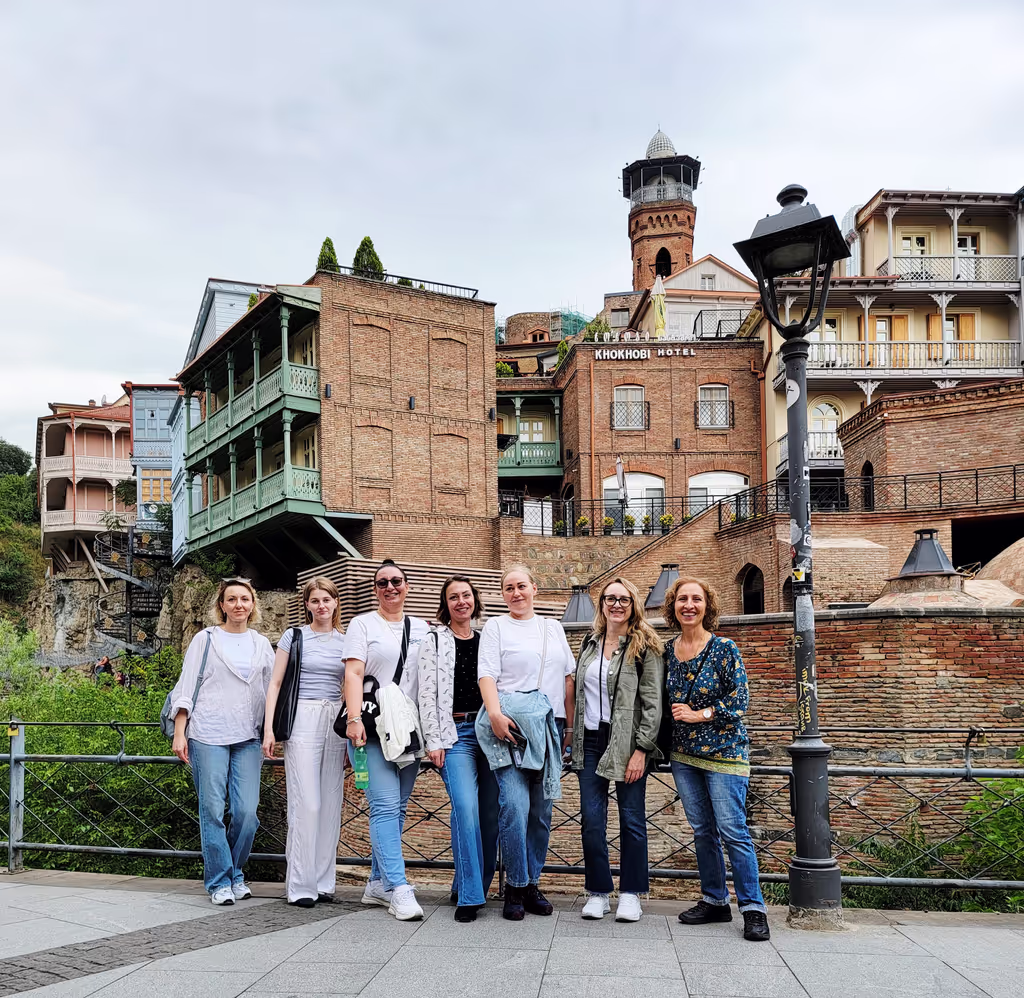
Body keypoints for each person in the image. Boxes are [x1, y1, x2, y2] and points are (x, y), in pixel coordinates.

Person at [663, 576, 770, 942]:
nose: (688, 605)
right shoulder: (666, 651)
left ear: (707, 606)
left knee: (733, 831)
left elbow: (741, 701)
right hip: (683, 756)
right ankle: (714, 900)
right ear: (672, 606)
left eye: (696, 599)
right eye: (682, 599)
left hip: (725, 754)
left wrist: (700, 714)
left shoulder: (724, 648)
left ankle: (753, 909)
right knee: (702, 831)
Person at [477, 564, 575, 921]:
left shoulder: (552, 628)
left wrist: (568, 730)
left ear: (535, 588)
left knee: (541, 812)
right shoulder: (496, 626)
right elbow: (486, 673)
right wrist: (495, 714)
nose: (515, 593)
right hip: (509, 727)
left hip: (549, 729)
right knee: (514, 806)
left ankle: (532, 882)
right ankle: (515, 886)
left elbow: (567, 680)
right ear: (503, 595)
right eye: (508, 588)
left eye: (521, 586)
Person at [170, 578, 274, 905]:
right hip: (207, 732)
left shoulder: (261, 644)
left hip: (248, 734)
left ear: (253, 604)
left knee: (246, 812)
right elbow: (187, 685)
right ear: (222, 605)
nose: (239, 604)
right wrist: (179, 731)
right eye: (232, 599)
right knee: (213, 809)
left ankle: (236, 871)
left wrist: (272, 730)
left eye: (245, 598)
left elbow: (273, 691)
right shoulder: (206, 639)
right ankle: (219, 881)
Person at [571, 577, 664, 922]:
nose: (616, 605)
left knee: (632, 818)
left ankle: (630, 893)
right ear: (601, 604)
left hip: (627, 741)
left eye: (623, 600)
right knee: (592, 821)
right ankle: (597, 891)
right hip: (591, 740)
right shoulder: (590, 643)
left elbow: (653, 703)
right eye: (610, 599)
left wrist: (642, 749)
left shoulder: (646, 645)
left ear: (633, 604)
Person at [344, 559, 430, 921]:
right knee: (384, 805)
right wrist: (352, 719)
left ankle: (377, 882)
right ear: (375, 589)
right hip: (371, 725)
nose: (390, 587)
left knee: (398, 808)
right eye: (382, 582)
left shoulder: (423, 628)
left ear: (407, 586)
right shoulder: (362, 624)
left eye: (396, 581)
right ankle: (399, 888)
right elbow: (353, 670)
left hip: (408, 731)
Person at [418, 575, 499, 923]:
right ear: (445, 604)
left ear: (475, 601)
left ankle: (472, 883)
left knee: (490, 816)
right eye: (454, 597)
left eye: (466, 595)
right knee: (465, 808)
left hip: (489, 732)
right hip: (455, 734)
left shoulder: (487, 642)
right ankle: (470, 897)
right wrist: (433, 740)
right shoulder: (434, 640)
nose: (461, 602)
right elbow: (425, 693)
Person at [263, 577, 347, 908]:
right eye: (315, 600)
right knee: (306, 801)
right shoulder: (294, 636)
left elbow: (353, 682)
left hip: (335, 720)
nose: (322, 605)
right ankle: (300, 884)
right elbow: (276, 683)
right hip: (302, 718)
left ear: (335, 602)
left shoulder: (347, 640)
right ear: (307, 605)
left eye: (327, 599)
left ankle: (324, 882)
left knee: (329, 802)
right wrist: (269, 730)